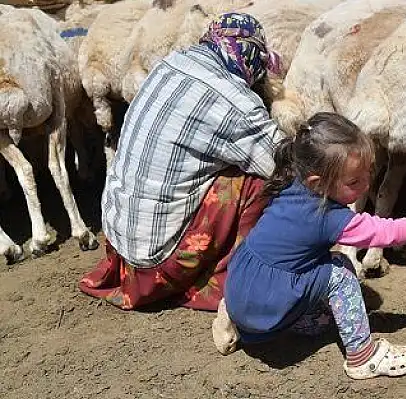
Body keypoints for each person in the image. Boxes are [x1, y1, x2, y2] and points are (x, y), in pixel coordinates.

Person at [212, 112, 406, 379]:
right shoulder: (329, 217)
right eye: (354, 182)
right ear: (318, 182)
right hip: (266, 304)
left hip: (242, 286)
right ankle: (362, 356)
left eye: (369, 173)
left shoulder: (291, 181)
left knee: (320, 311)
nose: (367, 185)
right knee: (340, 269)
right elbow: (392, 231)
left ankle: (234, 316)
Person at [78, 12, 284, 311]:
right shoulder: (235, 101)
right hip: (157, 264)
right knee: (260, 180)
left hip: (119, 245)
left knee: (227, 157)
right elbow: (282, 163)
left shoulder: (169, 64)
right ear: (252, 58)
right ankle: (239, 276)